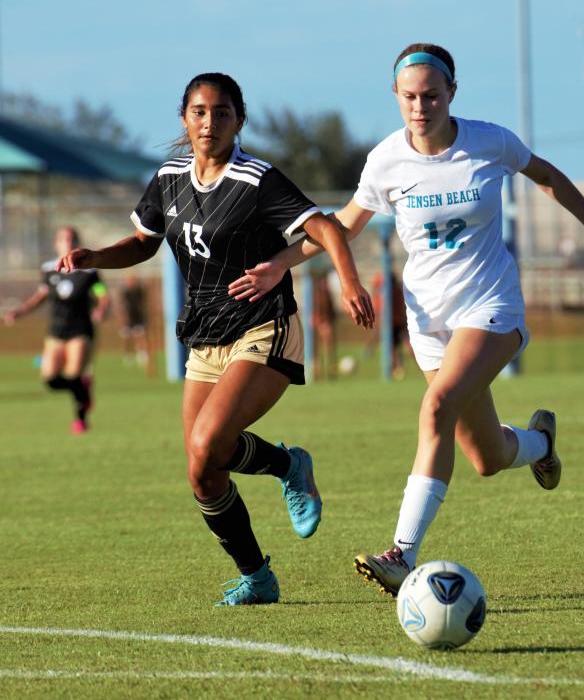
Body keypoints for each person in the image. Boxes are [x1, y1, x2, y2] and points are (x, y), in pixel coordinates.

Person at [228, 43, 584, 596]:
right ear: (396, 97)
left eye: (431, 95)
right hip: (430, 322)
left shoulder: (488, 140)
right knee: (486, 457)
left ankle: (401, 553)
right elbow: (345, 225)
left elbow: (546, 175)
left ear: (452, 93)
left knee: (437, 406)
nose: (420, 107)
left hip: (491, 307)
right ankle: (541, 444)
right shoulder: (384, 161)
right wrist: (279, 265)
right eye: (409, 97)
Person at [57, 73, 374, 606]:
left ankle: (290, 468)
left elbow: (325, 228)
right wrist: (97, 257)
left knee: (209, 442)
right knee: (203, 471)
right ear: (184, 118)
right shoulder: (169, 177)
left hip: (262, 325)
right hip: (205, 336)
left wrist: (349, 281)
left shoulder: (256, 179)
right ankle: (258, 573)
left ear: (238, 120)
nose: (210, 122)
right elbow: (142, 242)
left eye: (222, 112)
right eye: (200, 112)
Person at [4, 226, 108, 434]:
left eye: (71, 239)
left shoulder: (89, 272)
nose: (67, 243)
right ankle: (83, 389)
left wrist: (102, 308)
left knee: (73, 373)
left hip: (80, 330)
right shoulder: (49, 269)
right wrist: (20, 311)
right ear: (56, 244)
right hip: (56, 330)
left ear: (77, 243)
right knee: (51, 380)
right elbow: (41, 295)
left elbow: (101, 293)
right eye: (63, 239)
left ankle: (80, 419)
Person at [368, 268, 412, 379]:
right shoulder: (396, 290)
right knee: (399, 346)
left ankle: (396, 368)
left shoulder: (389, 292)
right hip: (399, 321)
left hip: (393, 322)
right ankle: (398, 367)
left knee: (394, 347)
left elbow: (382, 308)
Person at [117, 273, 153, 372]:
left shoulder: (139, 291)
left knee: (141, 337)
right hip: (128, 319)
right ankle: (127, 355)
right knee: (127, 339)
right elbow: (122, 306)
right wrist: (122, 319)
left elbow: (145, 302)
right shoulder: (125, 292)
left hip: (138, 318)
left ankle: (142, 356)